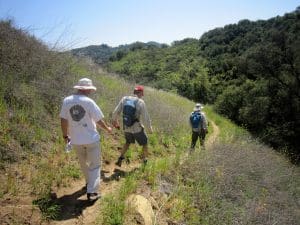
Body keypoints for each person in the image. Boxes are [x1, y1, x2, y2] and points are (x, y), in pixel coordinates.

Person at [60, 78, 112, 201]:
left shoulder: (66, 101)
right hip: (91, 139)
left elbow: (63, 120)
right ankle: (92, 192)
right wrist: (107, 129)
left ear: (78, 88)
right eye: (90, 89)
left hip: (76, 140)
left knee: (84, 164)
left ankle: (89, 184)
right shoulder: (89, 102)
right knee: (95, 165)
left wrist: (65, 136)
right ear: (87, 89)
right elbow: (98, 120)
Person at [112, 85, 153, 167]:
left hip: (126, 127)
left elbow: (115, 112)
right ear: (141, 93)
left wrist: (114, 121)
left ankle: (120, 159)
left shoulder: (124, 99)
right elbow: (146, 118)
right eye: (142, 93)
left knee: (127, 142)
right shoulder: (140, 102)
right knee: (145, 143)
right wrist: (149, 130)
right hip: (137, 128)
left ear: (134, 92)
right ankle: (145, 161)